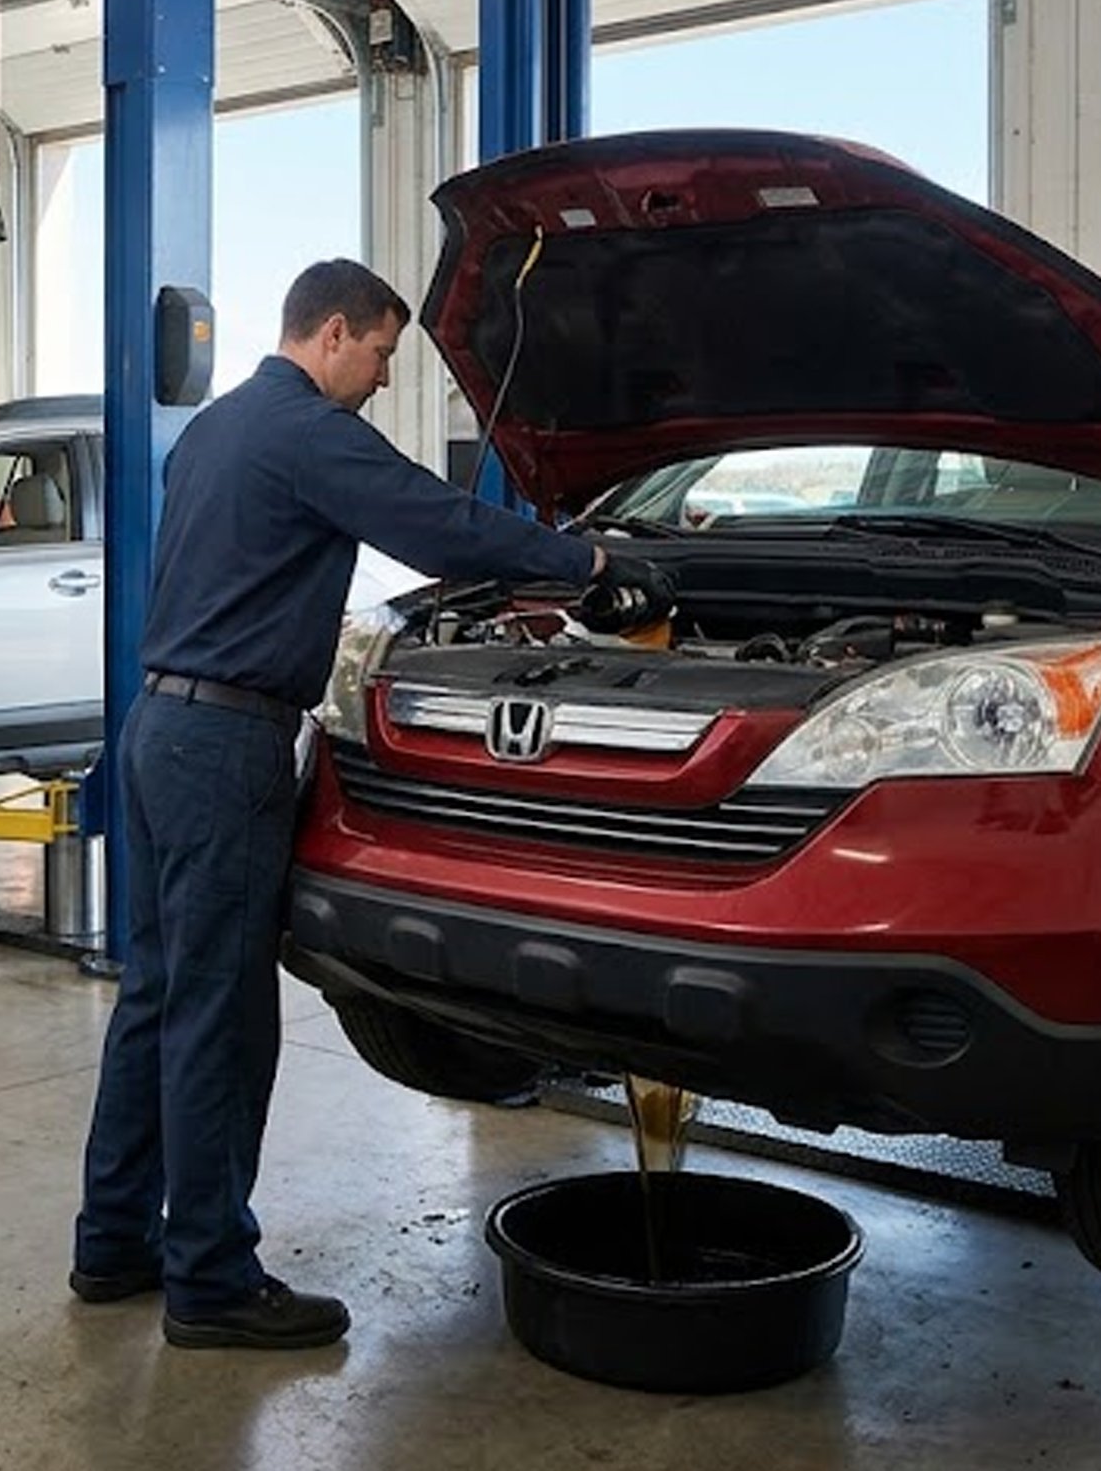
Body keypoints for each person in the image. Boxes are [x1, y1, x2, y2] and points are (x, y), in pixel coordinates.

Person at [72, 259, 669, 1352]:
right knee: (221, 1017)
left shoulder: (216, 427)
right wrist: (585, 560)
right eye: (384, 353)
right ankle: (209, 1278)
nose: (385, 378)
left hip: (158, 725)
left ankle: (113, 1244)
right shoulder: (308, 432)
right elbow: (440, 526)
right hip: (227, 744)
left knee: (156, 998)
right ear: (335, 332)